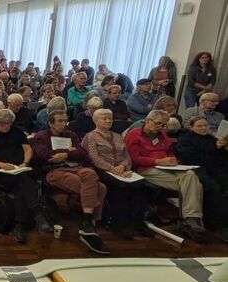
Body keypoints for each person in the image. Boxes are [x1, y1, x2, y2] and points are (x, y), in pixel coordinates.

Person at [31, 110, 109, 255]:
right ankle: (89, 223)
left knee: (90, 174)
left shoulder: (71, 135)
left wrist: (65, 154)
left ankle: (88, 222)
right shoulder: (41, 136)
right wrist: (69, 150)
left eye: (65, 121)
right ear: (50, 123)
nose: (63, 124)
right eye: (59, 121)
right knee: (100, 188)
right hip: (54, 171)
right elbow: (44, 155)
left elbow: (82, 153)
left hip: (76, 167)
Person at [125, 110, 206, 240]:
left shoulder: (162, 134)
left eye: (163, 125)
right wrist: (157, 161)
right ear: (148, 120)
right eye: (158, 124)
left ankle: (192, 217)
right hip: (146, 168)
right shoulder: (134, 134)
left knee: (190, 174)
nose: (161, 127)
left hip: (166, 167)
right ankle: (192, 219)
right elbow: (134, 158)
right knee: (192, 184)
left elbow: (169, 151)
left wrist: (172, 160)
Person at [82, 109, 151, 239]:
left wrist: (122, 166)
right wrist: (113, 169)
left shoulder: (118, 136)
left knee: (141, 185)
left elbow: (127, 156)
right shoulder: (90, 137)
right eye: (104, 118)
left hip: (121, 169)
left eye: (110, 118)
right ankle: (118, 224)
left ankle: (138, 222)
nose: (108, 121)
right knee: (121, 187)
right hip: (103, 170)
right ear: (95, 120)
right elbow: (94, 159)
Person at [0, 109, 50, 243]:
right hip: (2, 171)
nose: (6, 126)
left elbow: (28, 150)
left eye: (8, 123)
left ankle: (19, 226)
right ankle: (37, 215)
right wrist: (2, 165)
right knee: (23, 182)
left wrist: (24, 163)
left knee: (21, 183)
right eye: (2, 123)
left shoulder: (18, 132)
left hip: (21, 168)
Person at [174, 116, 228, 243]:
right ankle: (217, 225)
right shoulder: (185, 139)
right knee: (212, 187)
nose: (204, 128)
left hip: (214, 168)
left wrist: (221, 149)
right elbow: (190, 158)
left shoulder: (212, 139)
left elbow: (221, 159)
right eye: (199, 126)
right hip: (195, 168)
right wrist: (215, 148)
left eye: (206, 125)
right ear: (191, 127)